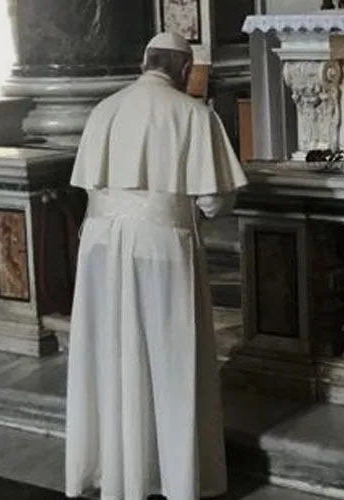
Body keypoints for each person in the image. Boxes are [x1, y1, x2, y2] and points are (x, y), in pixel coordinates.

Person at [64, 32, 248, 500]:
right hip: (160, 245)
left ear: (144, 62)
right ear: (185, 70)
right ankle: (175, 479)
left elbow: (88, 183)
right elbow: (213, 201)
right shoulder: (194, 114)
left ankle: (116, 472)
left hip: (100, 244)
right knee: (170, 359)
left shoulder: (103, 109)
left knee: (109, 355)